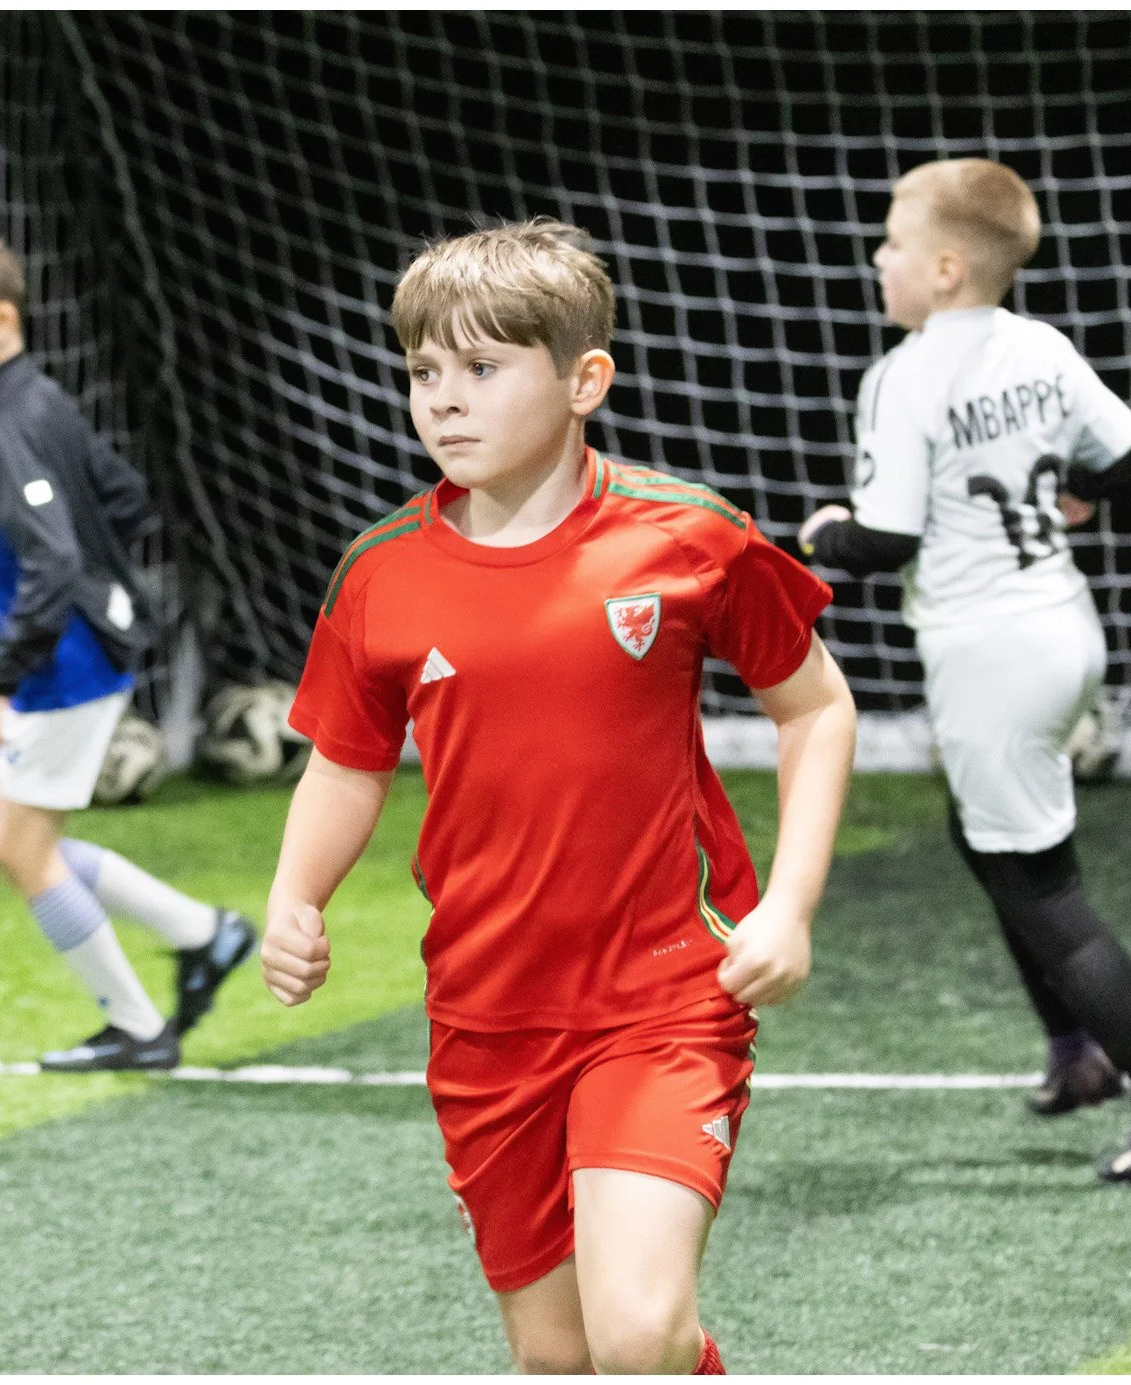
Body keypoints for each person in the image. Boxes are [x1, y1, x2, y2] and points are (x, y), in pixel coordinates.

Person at [262, 220, 857, 1373]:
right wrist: (297, 893)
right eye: (424, 372)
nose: (445, 401)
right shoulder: (379, 571)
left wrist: (787, 904)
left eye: (482, 370)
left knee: (639, 1328)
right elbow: (345, 758)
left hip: (662, 996)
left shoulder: (685, 538)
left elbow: (815, 707)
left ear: (584, 380)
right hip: (483, 1013)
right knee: (560, 1352)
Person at [799, 158, 1131, 1182]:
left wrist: (826, 535)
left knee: (1045, 887)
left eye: (895, 243)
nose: (879, 258)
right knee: (988, 839)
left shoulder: (903, 374)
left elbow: (890, 535)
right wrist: (1074, 490)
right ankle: (1076, 1053)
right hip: (1065, 633)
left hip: (989, 655)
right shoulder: (1039, 344)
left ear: (945, 267)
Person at [0, 226, 256, 1072]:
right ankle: (204, 934)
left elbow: (52, 557)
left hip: (62, 664)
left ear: (0, 318)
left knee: (15, 847)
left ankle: (141, 1024)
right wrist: (106, 582)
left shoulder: (1, 426)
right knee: (20, 841)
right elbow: (125, 498)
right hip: (83, 649)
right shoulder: (39, 399)